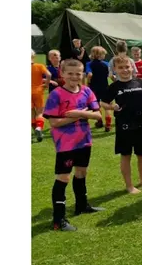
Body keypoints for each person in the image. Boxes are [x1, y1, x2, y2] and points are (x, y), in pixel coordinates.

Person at [43, 59, 105, 231]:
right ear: (62, 74)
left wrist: (77, 113)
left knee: (81, 172)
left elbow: (98, 115)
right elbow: (54, 123)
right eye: (70, 73)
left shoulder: (86, 91)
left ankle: (81, 205)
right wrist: (81, 115)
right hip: (66, 145)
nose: (74, 77)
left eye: (78, 73)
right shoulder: (56, 94)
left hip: (84, 141)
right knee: (64, 177)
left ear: (82, 74)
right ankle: (58, 219)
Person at [100, 55, 142, 194]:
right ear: (115, 69)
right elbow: (102, 103)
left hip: (140, 126)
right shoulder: (114, 87)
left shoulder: (139, 83)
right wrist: (112, 107)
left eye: (127, 67)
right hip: (123, 127)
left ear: (132, 68)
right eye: (121, 68)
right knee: (126, 155)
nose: (125, 70)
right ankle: (129, 185)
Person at [87, 46, 113, 131]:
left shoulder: (89, 64)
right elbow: (110, 75)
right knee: (108, 106)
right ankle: (108, 125)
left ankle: (99, 121)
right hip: (105, 87)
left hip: (94, 88)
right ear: (99, 55)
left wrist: (88, 82)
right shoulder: (106, 64)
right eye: (103, 54)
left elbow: (89, 74)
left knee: (97, 105)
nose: (104, 56)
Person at [32, 50, 51, 142]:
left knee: (31, 113)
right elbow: (49, 74)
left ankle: (35, 130)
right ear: (33, 56)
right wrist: (47, 84)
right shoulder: (39, 66)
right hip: (38, 91)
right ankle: (39, 128)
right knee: (40, 112)